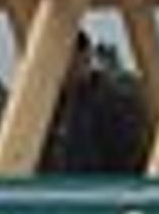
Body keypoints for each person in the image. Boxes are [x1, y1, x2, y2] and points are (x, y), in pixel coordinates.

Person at [42, 33, 150, 176]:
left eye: (72, 60)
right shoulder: (49, 104)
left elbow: (129, 154)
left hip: (105, 188)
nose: (65, 69)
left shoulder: (113, 101)